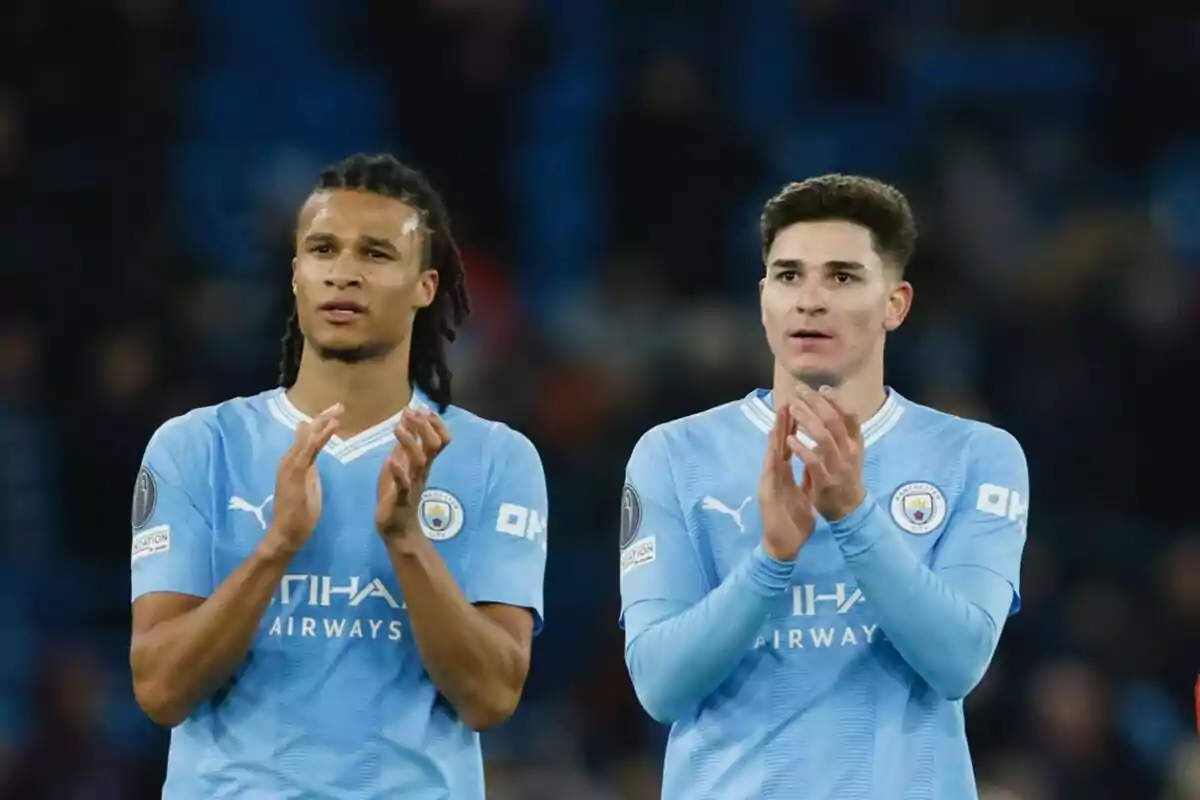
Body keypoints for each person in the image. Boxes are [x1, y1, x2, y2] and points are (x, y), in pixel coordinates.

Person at [128, 153, 548, 799]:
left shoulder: (495, 457)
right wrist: (276, 548)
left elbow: (491, 697)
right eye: (323, 249)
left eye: (377, 254)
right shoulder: (195, 447)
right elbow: (159, 690)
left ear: (425, 286)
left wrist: (407, 540)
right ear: (297, 275)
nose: (344, 273)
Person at [618, 174, 1029, 799]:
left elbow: (959, 662)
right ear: (763, 300)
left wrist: (853, 516)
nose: (810, 299)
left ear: (896, 302)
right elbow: (659, 684)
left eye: (841, 277)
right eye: (788, 276)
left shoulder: (978, 455)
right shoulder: (673, 454)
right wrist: (771, 560)